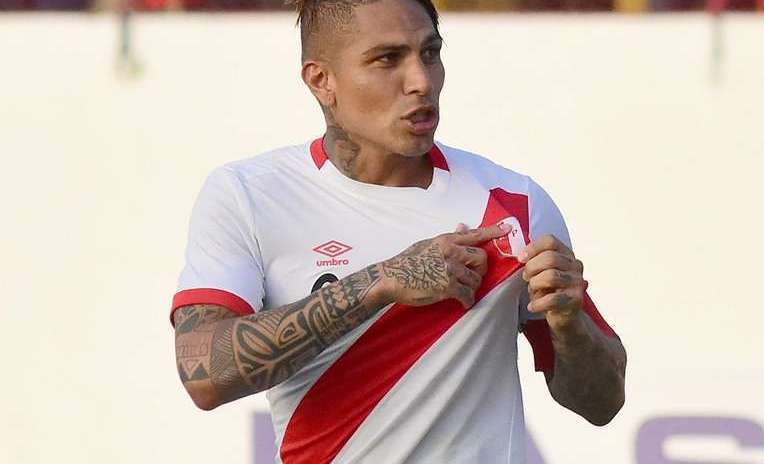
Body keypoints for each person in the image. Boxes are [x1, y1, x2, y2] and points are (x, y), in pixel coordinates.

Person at [170, 0, 627, 462]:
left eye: (430, 53)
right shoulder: (249, 195)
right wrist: (381, 282)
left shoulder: (514, 202)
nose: (421, 82)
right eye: (388, 59)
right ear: (321, 80)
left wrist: (569, 325)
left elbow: (603, 402)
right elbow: (202, 374)